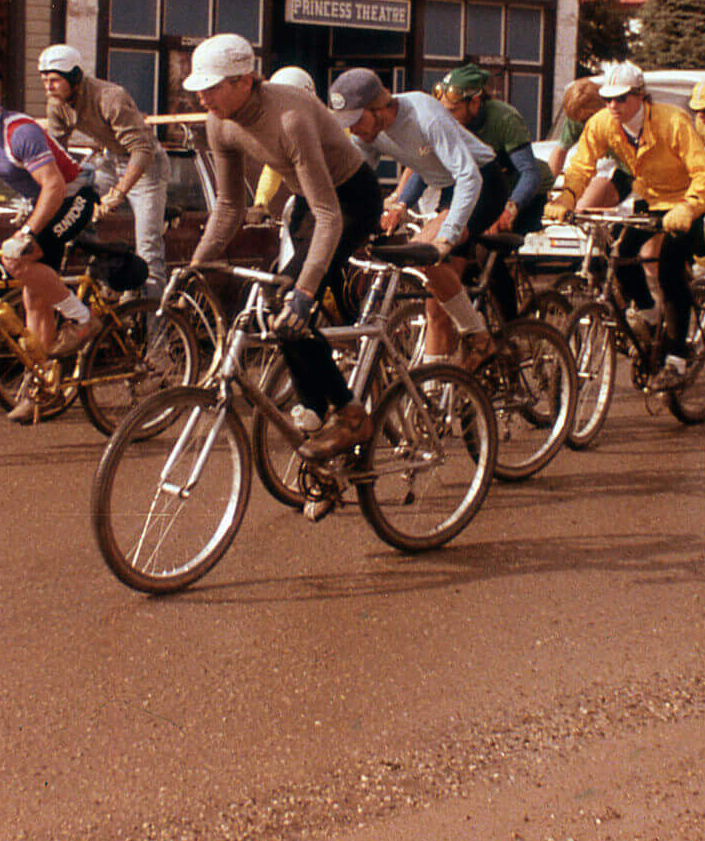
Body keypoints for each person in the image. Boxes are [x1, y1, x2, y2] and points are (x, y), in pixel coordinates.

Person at [183, 34, 378, 514]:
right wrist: (195, 265)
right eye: (199, 88)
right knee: (278, 313)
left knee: (293, 303)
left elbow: (331, 216)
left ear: (245, 81)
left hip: (351, 203)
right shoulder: (220, 123)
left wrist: (305, 292)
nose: (201, 98)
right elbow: (228, 206)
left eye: (211, 88)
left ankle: (350, 414)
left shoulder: (288, 116)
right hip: (313, 204)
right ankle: (316, 415)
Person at [0, 60, 98, 423]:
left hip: (72, 198)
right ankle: (43, 385)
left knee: (19, 262)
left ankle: (83, 319)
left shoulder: (19, 131)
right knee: (34, 300)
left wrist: (26, 234)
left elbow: (55, 185)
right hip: (41, 200)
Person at [545, 60, 705, 391]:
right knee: (620, 255)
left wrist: (689, 206)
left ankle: (678, 357)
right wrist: (567, 198)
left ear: (640, 96)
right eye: (609, 99)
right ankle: (651, 317)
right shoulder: (601, 123)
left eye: (621, 99)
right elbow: (581, 166)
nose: (613, 106)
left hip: (685, 203)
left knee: (668, 269)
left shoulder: (672, 121)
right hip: (649, 199)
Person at [331, 67, 503, 365]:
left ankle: (480, 338)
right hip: (449, 188)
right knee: (434, 307)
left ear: (379, 106)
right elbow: (356, 177)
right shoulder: (368, 130)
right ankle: (437, 389)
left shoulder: (425, 115)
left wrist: (447, 235)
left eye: (356, 120)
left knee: (420, 255)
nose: (353, 129)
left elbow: (469, 177)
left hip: (483, 182)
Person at [39, 43, 167, 295]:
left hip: (146, 164)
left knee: (148, 247)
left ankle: (157, 331)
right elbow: (57, 152)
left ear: (75, 77)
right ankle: (105, 284)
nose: (48, 87)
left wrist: (118, 193)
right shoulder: (57, 103)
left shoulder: (110, 98)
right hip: (110, 159)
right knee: (78, 214)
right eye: (44, 80)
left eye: (54, 80)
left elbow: (142, 150)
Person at [433, 63, 553, 236]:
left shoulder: (505, 118)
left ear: (474, 102)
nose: (447, 118)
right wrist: (401, 203)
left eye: (453, 111)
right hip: (485, 185)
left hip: (523, 187)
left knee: (495, 241)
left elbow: (530, 173)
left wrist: (511, 208)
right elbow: (421, 169)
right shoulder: (447, 123)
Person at [251, 66, 317, 221]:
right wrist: (260, 203)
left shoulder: (334, 126)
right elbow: (273, 169)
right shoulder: (282, 130)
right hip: (305, 201)